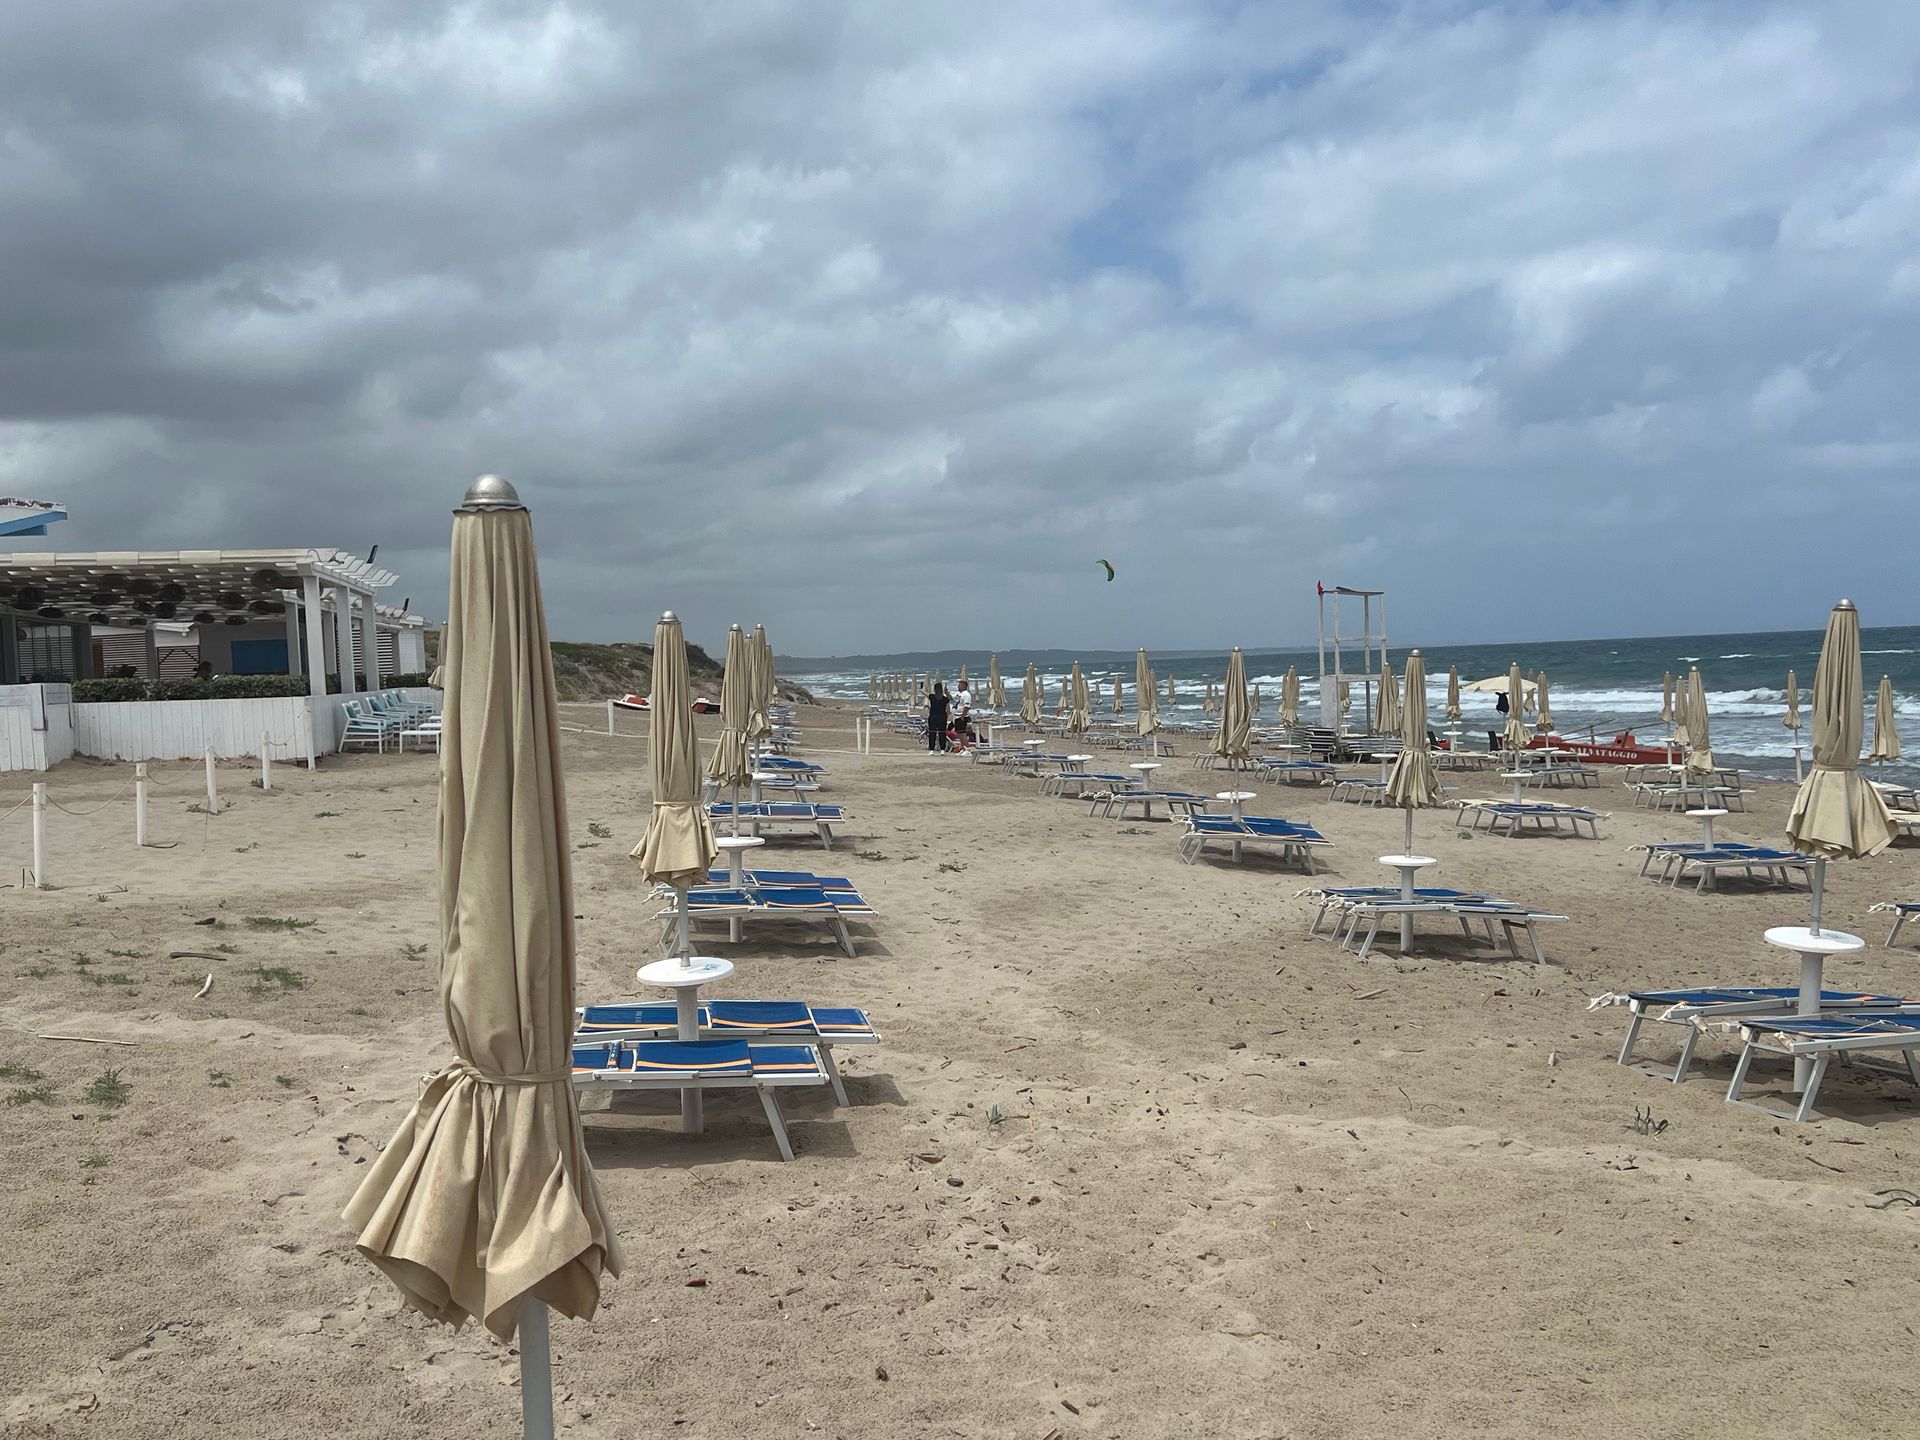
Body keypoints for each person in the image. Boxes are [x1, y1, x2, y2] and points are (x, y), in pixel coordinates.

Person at [927, 682, 950, 752]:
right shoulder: (945, 699)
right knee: (942, 733)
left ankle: (931, 749)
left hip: (933, 717)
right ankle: (942, 749)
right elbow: (948, 709)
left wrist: (921, 690)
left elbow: (925, 694)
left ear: (934, 690)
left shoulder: (932, 697)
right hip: (942, 717)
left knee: (932, 733)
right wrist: (946, 692)